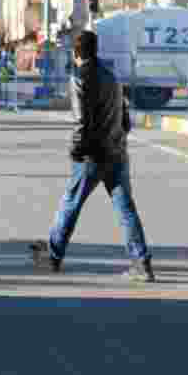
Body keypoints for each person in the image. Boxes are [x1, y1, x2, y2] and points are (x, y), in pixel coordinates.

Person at [30, 30, 155, 283]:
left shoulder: (78, 78)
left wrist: (77, 150)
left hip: (92, 156)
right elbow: (126, 120)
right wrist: (115, 139)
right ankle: (142, 263)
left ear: (76, 53)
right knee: (125, 208)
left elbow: (81, 122)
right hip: (117, 153)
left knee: (70, 203)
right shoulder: (112, 77)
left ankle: (53, 256)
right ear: (95, 50)